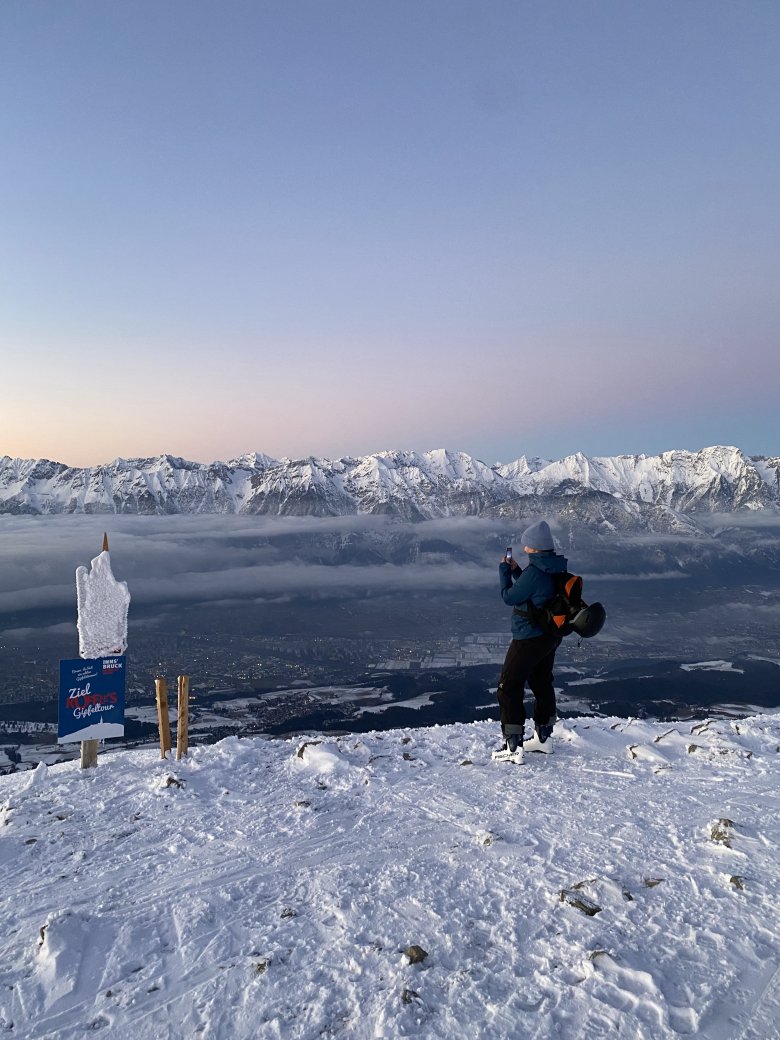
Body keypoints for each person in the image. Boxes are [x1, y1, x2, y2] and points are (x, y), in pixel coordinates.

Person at [493, 519, 567, 763]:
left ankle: (513, 745)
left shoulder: (535, 572)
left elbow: (509, 597)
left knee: (508, 686)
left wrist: (504, 572)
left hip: (528, 637)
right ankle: (543, 738)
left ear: (534, 547)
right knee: (541, 681)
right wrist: (517, 571)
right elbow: (537, 590)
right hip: (550, 636)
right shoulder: (554, 567)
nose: (523, 548)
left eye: (527, 545)